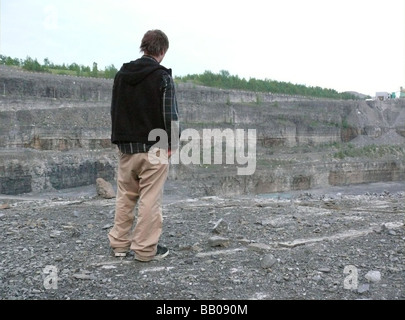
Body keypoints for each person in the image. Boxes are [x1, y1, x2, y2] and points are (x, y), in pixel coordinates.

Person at [108, 29, 180, 262]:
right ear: (162, 51)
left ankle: (119, 245)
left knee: (125, 196)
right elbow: (171, 115)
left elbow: (115, 110)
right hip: (155, 149)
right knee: (150, 198)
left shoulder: (121, 75)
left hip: (127, 148)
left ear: (143, 47)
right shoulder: (163, 77)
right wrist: (172, 145)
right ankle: (145, 250)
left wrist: (119, 140)